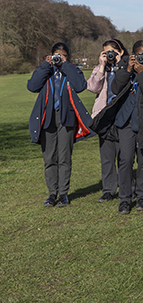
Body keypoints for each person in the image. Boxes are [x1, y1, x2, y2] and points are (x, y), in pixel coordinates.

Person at [105, 40, 143, 215]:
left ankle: (142, 196)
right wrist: (129, 70)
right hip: (126, 120)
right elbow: (115, 88)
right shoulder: (125, 66)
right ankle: (125, 198)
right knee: (125, 160)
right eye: (140, 54)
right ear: (132, 55)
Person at [28, 42, 91, 208]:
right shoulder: (45, 70)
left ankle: (63, 194)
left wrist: (66, 65)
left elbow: (80, 86)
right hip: (47, 118)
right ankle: (51, 194)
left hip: (66, 118)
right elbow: (32, 86)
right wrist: (44, 65)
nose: (58, 57)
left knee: (64, 158)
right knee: (49, 158)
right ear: (50, 55)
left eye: (62, 55)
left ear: (67, 57)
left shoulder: (70, 70)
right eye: (56, 54)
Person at [86, 38, 127, 202]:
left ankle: (127, 187)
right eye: (106, 52)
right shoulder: (99, 68)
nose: (109, 55)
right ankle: (109, 189)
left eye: (112, 51)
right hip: (104, 116)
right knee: (107, 157)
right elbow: (92, 87)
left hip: (122, 115)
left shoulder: (126, 67)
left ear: (120, 52)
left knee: (125, 156)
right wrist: (102, 66)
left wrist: (120, 64)